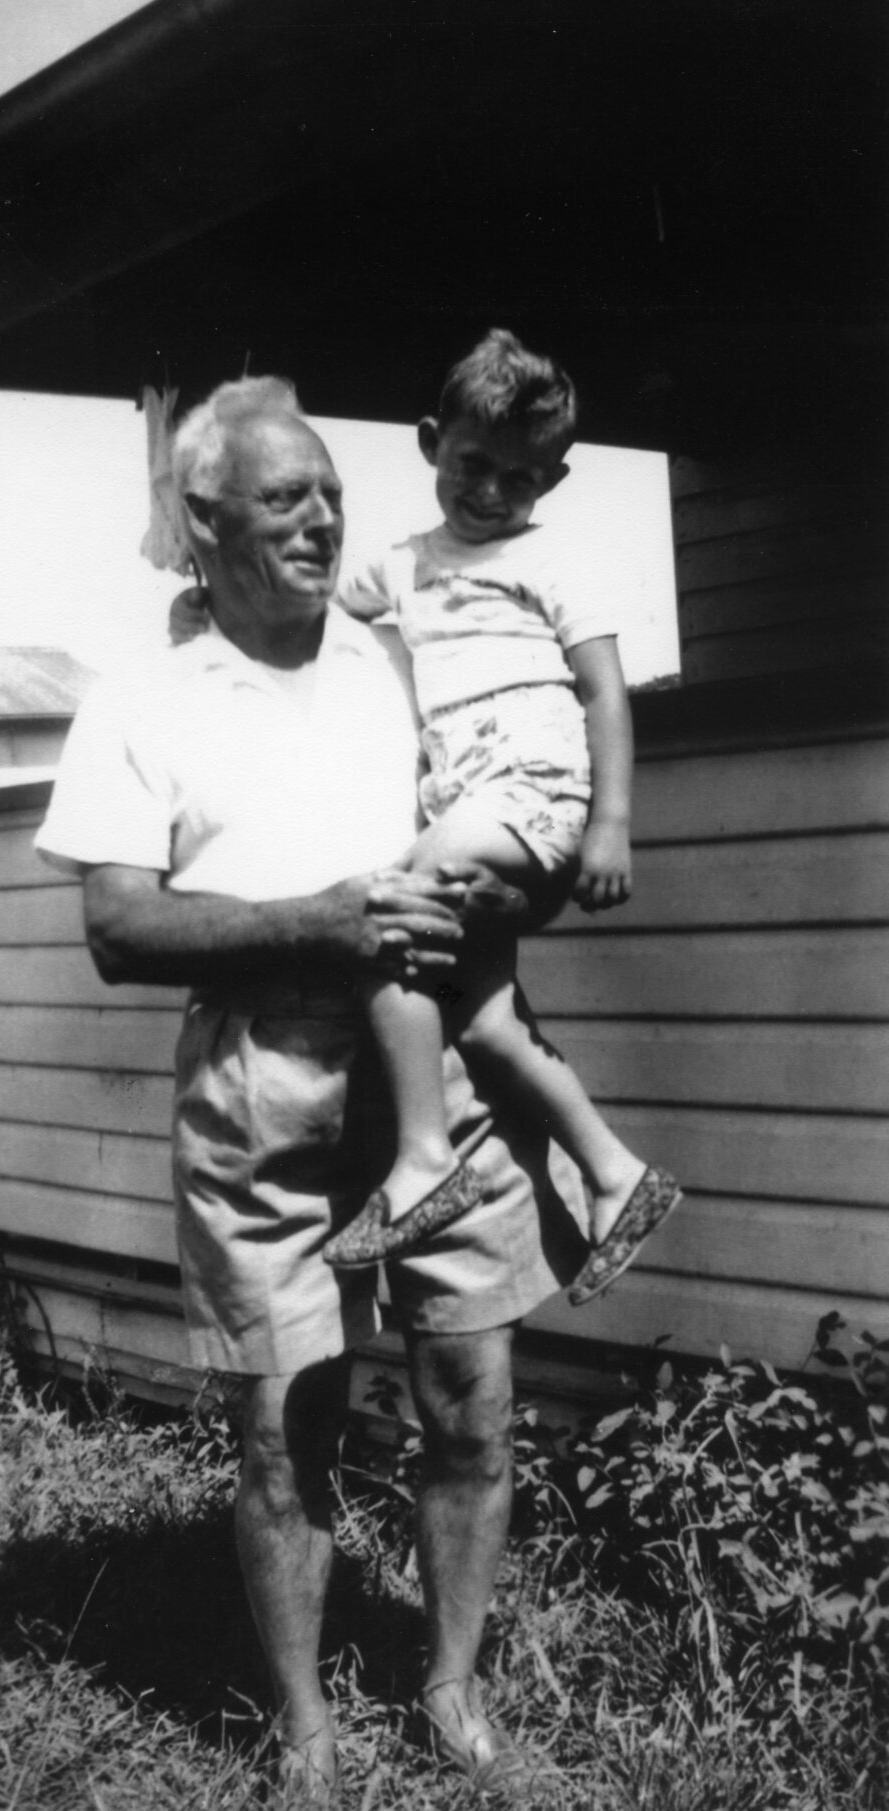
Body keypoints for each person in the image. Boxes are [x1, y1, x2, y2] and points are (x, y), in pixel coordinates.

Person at [36, 376, 581, 1804]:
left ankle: (450, 1683)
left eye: (331, 491)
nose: (324, 518)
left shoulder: (402, 657)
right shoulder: (144, 694)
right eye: (286, 498)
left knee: (472, 1393)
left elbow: (523, 780)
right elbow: (116, 927)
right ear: (202, 518)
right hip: (262, 1077)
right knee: (286, 1424)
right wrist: (317, 921)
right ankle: (306, 1730)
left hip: (440, 1061)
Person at [170, 335, 682, 1306]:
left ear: (556, 480)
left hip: (530, 785)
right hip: (463, 799)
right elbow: (314, 599)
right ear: (429, 444)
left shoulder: (557, 559)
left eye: (522, 479)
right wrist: (216, 603)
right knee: (485, 1024)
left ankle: (422, 1161)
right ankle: (616, 1174)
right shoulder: (405, 565)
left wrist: (611, 821)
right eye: (473, 466)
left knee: (391, 910)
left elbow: (605, 693)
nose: (492, 493)